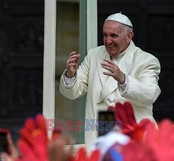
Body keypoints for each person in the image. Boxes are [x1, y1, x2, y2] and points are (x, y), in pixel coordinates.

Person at [59, 12, 161, 149]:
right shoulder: (94, 55)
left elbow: (150, 95)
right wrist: (71, 75)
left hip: (132, 140)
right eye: (105, 35)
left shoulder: (146, 60)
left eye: (113, 36)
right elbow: (73, 93)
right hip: (98, 136)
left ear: (128, 36)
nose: (108, 41)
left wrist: (123, 79)